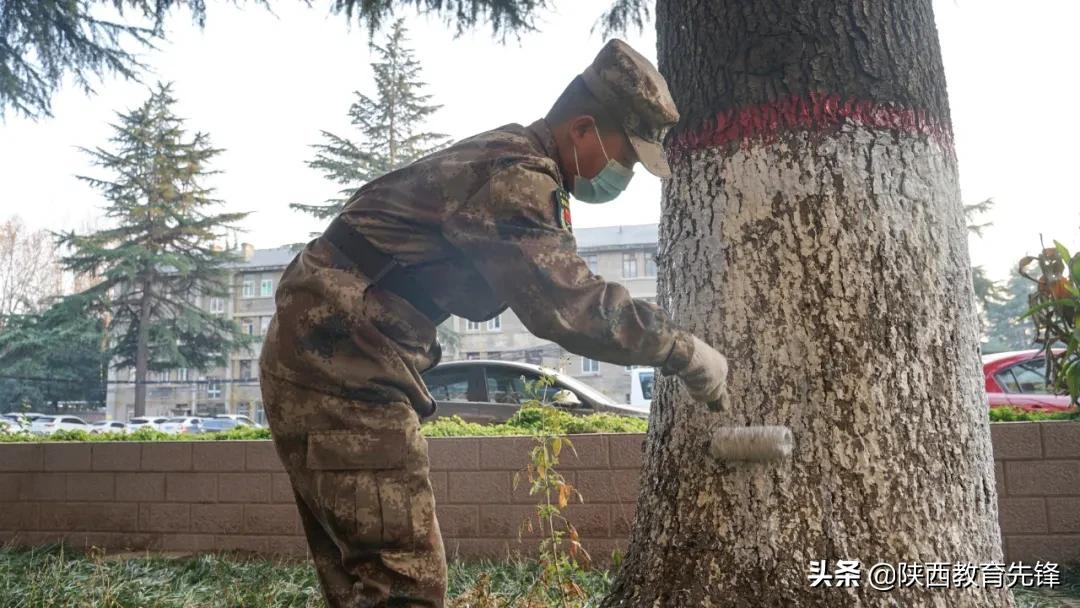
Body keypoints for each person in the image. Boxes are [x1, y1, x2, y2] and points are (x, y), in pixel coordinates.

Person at [258, 38, 730, 608]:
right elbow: (570, 305)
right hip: (339, 358)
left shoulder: (509, 157)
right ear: (581, 130)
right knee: (403, 583)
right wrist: (683, 351)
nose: (623, 173)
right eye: (624, 156)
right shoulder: (517, 179)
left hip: (324, 348)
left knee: (365, 577)